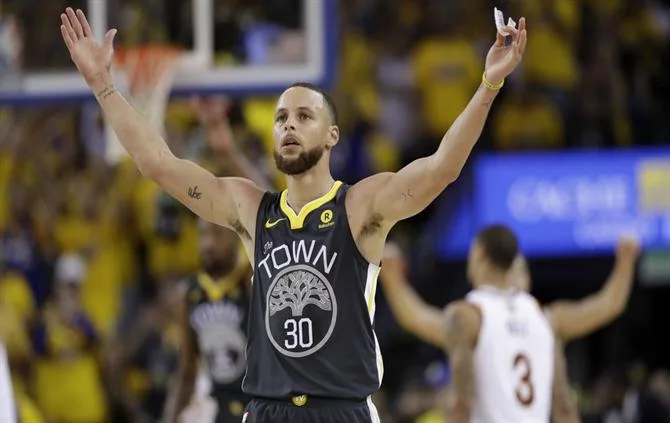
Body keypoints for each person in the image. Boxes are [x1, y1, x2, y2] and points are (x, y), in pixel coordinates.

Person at [59, 7, 527, 422]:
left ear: (332, 136)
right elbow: (158, 165)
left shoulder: (360, 205)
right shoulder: (249, 208)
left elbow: (442, 168)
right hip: (266, 409)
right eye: (282, 117)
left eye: (304, 117)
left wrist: (489, 84)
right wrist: (104, 86)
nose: (288, 125)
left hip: (342, 408)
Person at [380, 229, 640, 423]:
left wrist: (390, 274)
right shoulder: (546, 319)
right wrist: (626, 262)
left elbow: (416, 318)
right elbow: (608, 305)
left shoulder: (470, 318)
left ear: (480, 257)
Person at [163, 219, 253, 423]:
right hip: (219, 409)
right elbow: (186, 372)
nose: (208, 244)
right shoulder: (189, 293)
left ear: (234, 236)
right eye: (203, 235)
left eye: (217, 234)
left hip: (258, 406)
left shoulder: (250, 280)